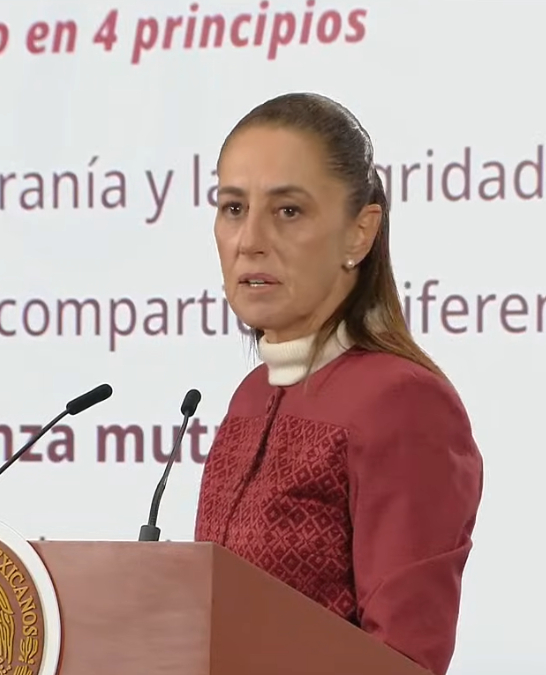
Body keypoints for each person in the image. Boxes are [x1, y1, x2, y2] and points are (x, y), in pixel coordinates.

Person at [194, 93, 484, 675]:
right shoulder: (251, 396)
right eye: (232, 207)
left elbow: (404, 657)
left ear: (359, 233)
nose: (249, 239)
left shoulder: (403, 402)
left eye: (289, 211)